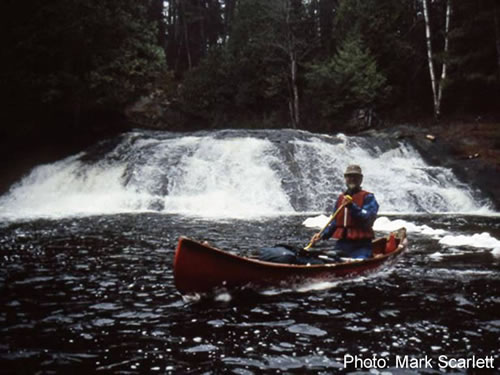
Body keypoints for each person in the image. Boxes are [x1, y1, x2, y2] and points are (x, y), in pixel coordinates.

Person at [309, 164, 379, 259]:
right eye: (349, 176)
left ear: (361, 179)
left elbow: (368, 218)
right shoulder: (340, 199)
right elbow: (334, 223)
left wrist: (351, 206)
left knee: (359, 260)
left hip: (362, 244)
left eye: (355, 176)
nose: (352, 179)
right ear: (345, 178)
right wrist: (321, 236)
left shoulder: (368, 197)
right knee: (329, 258)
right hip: (342, 244)